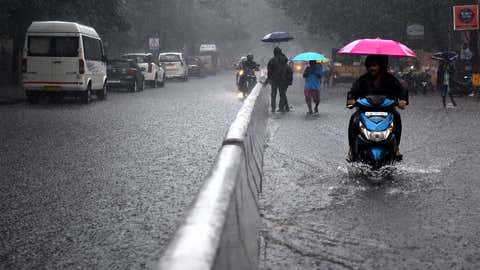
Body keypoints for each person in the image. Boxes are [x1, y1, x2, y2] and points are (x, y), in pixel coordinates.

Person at [346, 55, 408, 161]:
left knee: (397, 117)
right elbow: (353, 92)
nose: (371, 68)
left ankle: (396, 147)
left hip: (387, 110)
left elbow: (401, 91)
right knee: (353, 119)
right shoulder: (362, 79)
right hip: (365, 110)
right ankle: (351, 149)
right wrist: (351, 100)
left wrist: (403, 100)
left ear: (381, 66)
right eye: (369, 66)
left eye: (374, 66)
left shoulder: (390, 79)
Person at [267, 47, 290, 112]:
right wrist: (281, 53)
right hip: (282, 79)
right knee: (282, 94)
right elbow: (286, 59)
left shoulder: (271, 60)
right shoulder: (283, 59)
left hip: (274, 80)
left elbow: (269, 71)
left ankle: (273, 108)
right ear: (280, 52)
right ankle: (283, 107)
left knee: (273, 94)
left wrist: (269, 79)